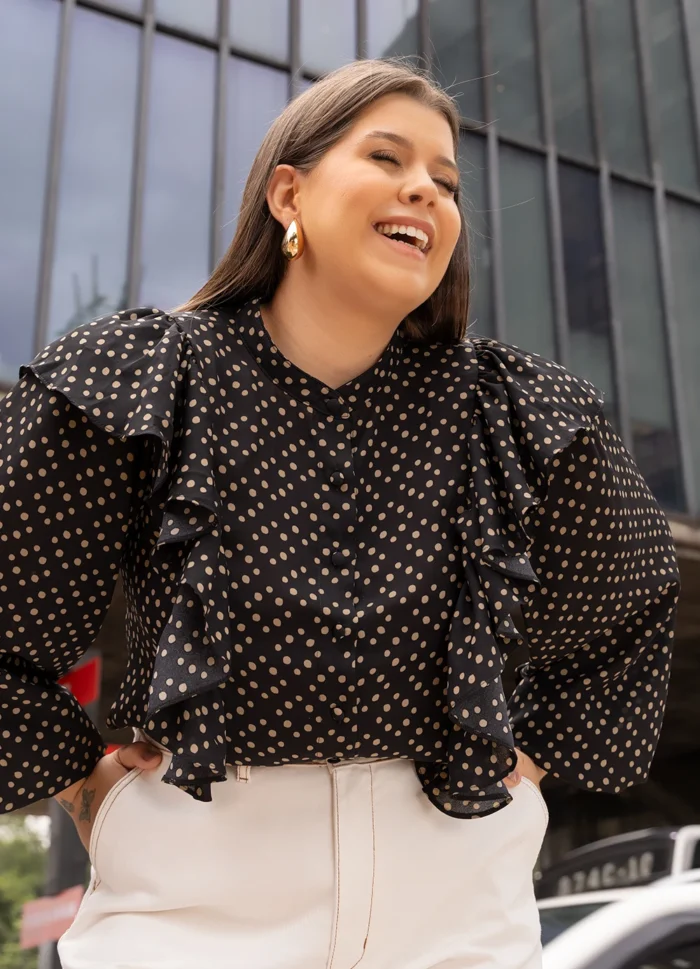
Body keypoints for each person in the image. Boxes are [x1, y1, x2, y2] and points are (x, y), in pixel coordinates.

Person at [0, 59, 679, 969]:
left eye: (446, 182)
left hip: (459, 912)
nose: (425, 190)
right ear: (289, 194)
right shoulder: (145, 378)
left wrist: (528, 767)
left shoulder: (520, 409)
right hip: (192, 909)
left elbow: (631, 607)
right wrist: (87, 786)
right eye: (388, 158)